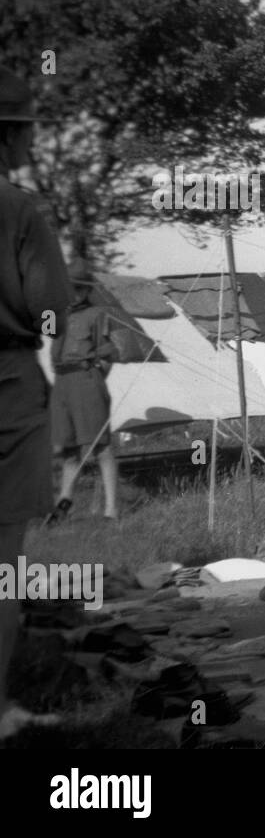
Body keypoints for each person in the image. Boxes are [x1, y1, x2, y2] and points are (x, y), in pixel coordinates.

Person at [0, 67, 70, 739]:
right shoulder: (20, 211)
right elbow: (50, 308)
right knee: (3, 561)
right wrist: (48, 368)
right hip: (9, 383)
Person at [47, 256, 120, 523]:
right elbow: (50, 337)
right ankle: (64, 504)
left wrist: (94, 381)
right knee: (67, 448)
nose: (74, 293)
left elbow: (107, 355)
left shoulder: (97, 314)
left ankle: (111, 510)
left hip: (86, 378)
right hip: (62, 382)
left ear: (88, 290)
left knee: (100, 445)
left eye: (79, 288)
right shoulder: (56, 315)